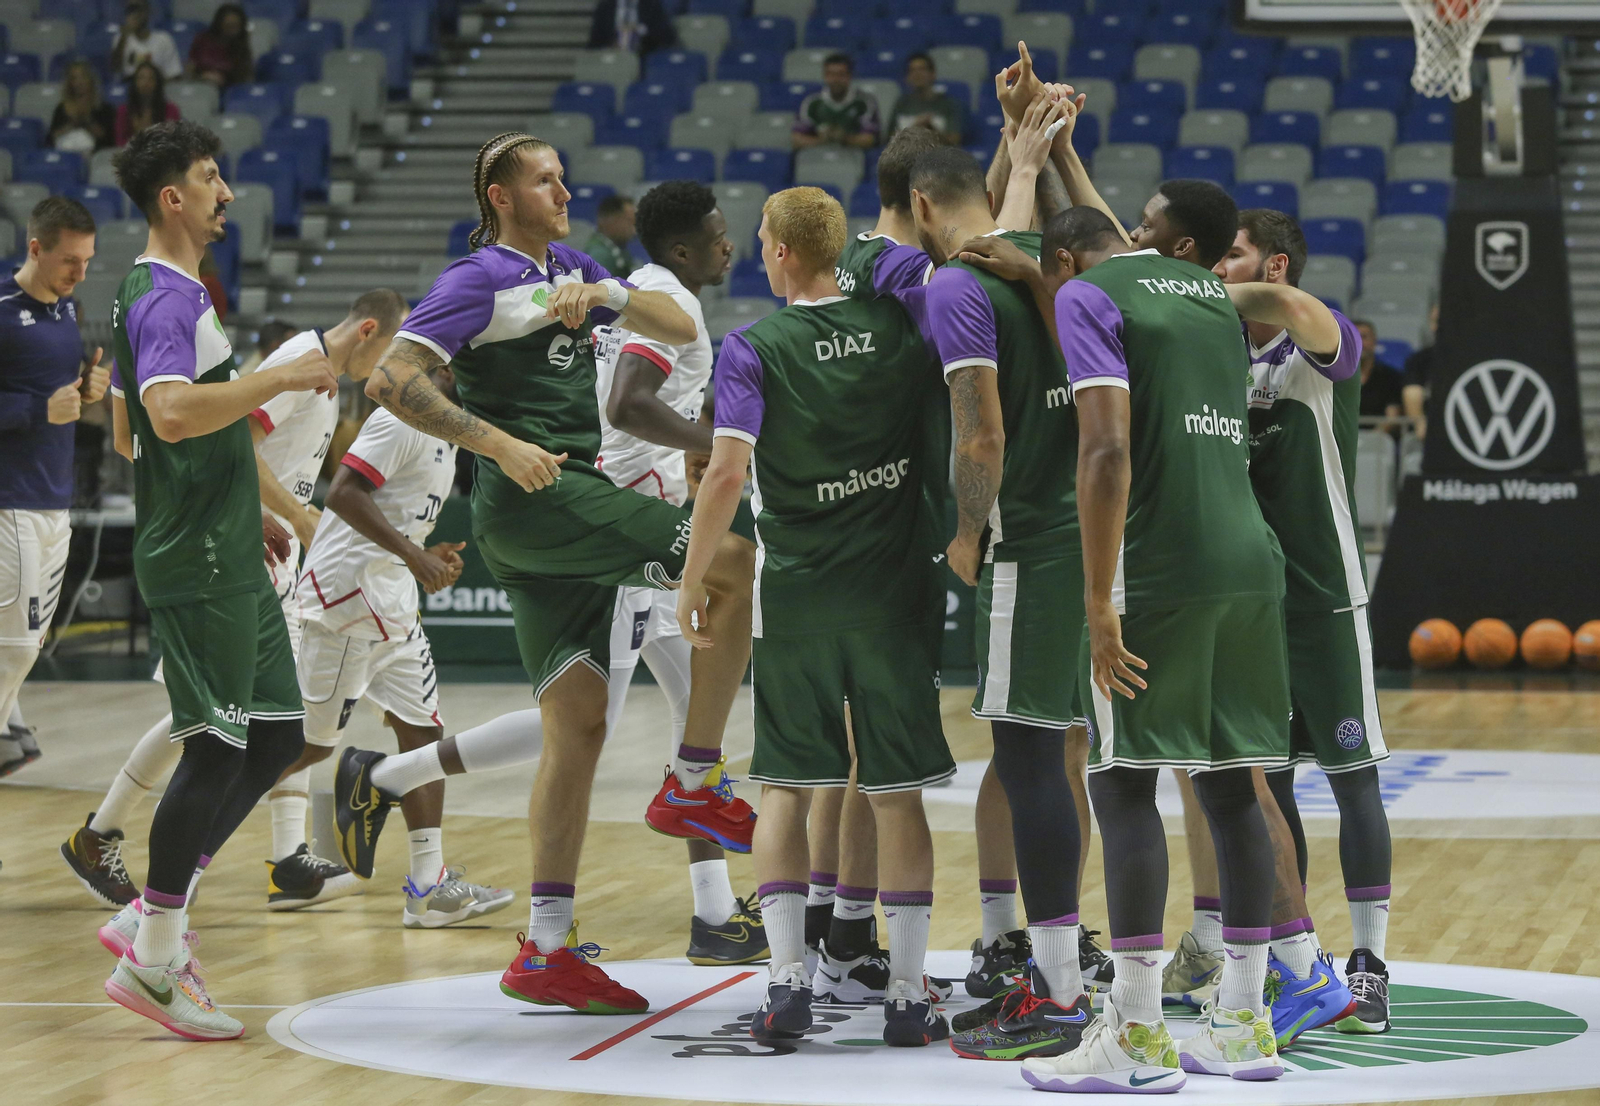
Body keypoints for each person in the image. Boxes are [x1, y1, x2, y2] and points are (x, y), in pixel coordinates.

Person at [333, 131, 754, 1016]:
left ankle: (547, 949)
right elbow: (390, 380)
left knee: (578, 728)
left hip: (560, 503)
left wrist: (605, 292)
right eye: (543, 180)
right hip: (542, 497)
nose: (563, 191)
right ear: (500, 196)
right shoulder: (475, 278)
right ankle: (695, 781)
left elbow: (678, 325)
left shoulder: (571, 266)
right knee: (732, 557)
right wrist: (496, 443)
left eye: (563, 177)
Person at [963, 205, 1288, 1092]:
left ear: (1063, 262)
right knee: (1232, 788)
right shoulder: (1207, 291)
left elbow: (1106, 450)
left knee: (1122, 783)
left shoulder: (1089, 295)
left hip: (1158, 563)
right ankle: (1245, 1025)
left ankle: (1137, 1034)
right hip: (1248, 561)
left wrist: (1098, 597)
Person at [679, 185, 954, 1046]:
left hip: (797, 597)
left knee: (788, 790)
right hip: (895, 594)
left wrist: (692, 577)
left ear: (782, 252)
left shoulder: (754, 346)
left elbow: (727, 473)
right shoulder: (901, 329)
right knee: (896, 795)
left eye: (763, 238)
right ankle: (906, 994)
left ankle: (788, 983)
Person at [98, 119, 338, 1041]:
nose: (227, 191)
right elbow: (165, 416)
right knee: (214, 749)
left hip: (228, 545)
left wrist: (255, 502)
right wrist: (283, 377)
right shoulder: (163, 296)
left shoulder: (180, 292)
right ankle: (155, 959)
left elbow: (176, 429)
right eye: (210, 177)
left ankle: (151, 912)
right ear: (174, 197)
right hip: (197, 559)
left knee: (276, 737)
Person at [61, 293, 408, 910]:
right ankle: (105, 833)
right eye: (390, 349)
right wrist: (297, 514)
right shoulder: (298, 361)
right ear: (368, 330)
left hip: (272, 554)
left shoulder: (323, 376)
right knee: (207, 712)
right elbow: (236, 443)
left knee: (277, 713)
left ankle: (286, 857)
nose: (388, 365)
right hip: (243, 548)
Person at [902, 142, 1094, 1062]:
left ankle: (1056, 993)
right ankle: (1074, 968)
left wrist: (968, 530)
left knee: (1026, 760)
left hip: (1031, 545)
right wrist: (1030, 148)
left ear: (919, 207)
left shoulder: (955, 286)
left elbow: (981, 436)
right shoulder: (1051, 269)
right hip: (1093, 535)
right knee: (1070, 759)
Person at [1213, 209, 1394, 1036]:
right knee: (1271, 790)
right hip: (1252, 605)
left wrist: (1186, 287)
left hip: (1325, 598)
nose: (1220, 269)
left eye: (1234, 255)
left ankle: (1371, 964)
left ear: (1276, 263)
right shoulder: (1216, 351)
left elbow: (1296, 313)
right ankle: (1304, 963)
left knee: (1354, 781)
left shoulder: (1319, 335)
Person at [591, 179, 768, 964]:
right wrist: (712, 441)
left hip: (648, 517)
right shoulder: (673, 302)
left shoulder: (646, 289)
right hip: (632, 529)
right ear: (684, 249)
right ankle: (393, 776)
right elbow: (628, 403)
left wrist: (690, 444)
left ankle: (714, 915)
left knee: (694, 709)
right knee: (580, 724)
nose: (730, 244)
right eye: (719, 233)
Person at [290, 366, 515, 928]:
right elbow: (343, 493)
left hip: (390, 601)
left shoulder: (448, 432)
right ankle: (185, 851)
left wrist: (422, 551)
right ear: (447, 371)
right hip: (346, 604)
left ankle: (427, 886)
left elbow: (393, 516)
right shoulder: (400, 419)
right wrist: (414, 556)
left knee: (422, 734)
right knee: (305, 748)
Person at [0, 197, 109, 778]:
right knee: (16, 646)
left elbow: (56, 392)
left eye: (87, 260)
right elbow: (39, 404)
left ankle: (8, 728)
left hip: (54, 498)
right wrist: (38, 410)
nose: (80, 273)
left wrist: (87, 389)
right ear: (35, 248)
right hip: (9, 499)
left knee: (27, 642)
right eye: (70, 260)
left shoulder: (67, 311)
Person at [793, 54, 880, 151]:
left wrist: (844, 138)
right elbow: (796, 139)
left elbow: (870, 139)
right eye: (831, 74)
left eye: (841, 74)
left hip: (854, 156)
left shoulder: (864, 102)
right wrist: (822, 140)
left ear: (849, 76)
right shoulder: (812, 102)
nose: (835, 80)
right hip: (818, 156)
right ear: (824, 76)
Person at [889, 53, 966, 145]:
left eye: (922, 69)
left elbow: (954, 141)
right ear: (907, 77)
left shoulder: (948, 104)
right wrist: (915, 127)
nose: (917, 74)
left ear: (933, 74)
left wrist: (930, 128)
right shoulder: (902, 103)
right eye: (912, 70)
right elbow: (890, 139)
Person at [50, 60, 116, 154]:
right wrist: (71, 124)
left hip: (95, 155)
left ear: (91, 79)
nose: (79, 82)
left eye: (83, 77)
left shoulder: (104, 108)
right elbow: (52, 138)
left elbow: (108, 139)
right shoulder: (61, 108)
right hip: (67, 154)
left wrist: (86, 121)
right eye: (74, 78)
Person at [112, 0, 183, 80]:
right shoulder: (120, 39)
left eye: (138, 9)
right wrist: (124, 37)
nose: (135, 14)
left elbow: (174, 74)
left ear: (147, 11)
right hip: (130, 85)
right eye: (131, 9)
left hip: (158, 84)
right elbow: (115, 69)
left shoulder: (164, 39)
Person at [187, 3, 252, 89]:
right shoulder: (202, 40)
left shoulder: (241, 47)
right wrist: (202, 77)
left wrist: (223, 80)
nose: (232, 31)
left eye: (236, 26)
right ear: (219, 24)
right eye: (229, 26)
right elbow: (190, 69)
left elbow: (243, 78)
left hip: (228, 90)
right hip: (199, 86)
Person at [116, 62, 181, 148]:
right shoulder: (124, 110)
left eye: (151, 78)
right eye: (141, 78)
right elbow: (120, 141)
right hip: (132, 153)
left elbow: (173, 140)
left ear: (157, 83)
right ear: (134, 82)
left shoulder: (171, 109)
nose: (145, 83)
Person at [1354, 318, 1405, 422]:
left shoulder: (1391, 377)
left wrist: (1376, 433)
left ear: (1374, 341)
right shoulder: (1336, 377)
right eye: (1353, 338)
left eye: (1364, 337)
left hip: (1379, 431)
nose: (1359, 342)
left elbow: (1392, 417)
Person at [586, 0, 678, 56]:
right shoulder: (605, 7)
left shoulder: (652, 6)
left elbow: (667, 39)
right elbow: (594, 44)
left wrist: (642, 37)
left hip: (644, 59)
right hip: (612, 60)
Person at [1402, 302, 1438, 440]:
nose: (1437, 327)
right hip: (1432, 430)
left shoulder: (1474, 358)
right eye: (1435, 321)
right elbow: (1412, 392)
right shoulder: (1419, 359)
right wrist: (1420, 425)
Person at [583, 195, 635, 280]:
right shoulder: (600, 255)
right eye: (629, 221)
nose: (634, 229)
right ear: (610, 219)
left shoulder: (616, 249)